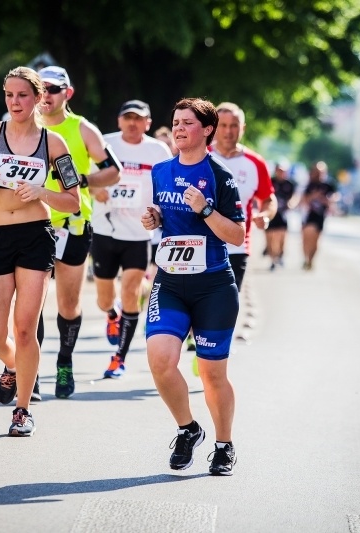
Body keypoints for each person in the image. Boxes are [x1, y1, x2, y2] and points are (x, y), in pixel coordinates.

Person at [0, 66, 80, 436]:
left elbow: (72, 201)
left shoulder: (54, 144)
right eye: (9, 95)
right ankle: (13, 365)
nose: (15, 102)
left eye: (23, 96)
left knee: (26, 327)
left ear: (37, 99)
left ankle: (23, 409)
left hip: (35, 235)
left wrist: (43, 192)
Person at [141, 98, 245, 475]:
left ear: (207, 130)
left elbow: (237, 235)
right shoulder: (160, 171)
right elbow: (163, 216)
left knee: (212, 373)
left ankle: (224, 444)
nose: (180, 128)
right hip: (169, 282)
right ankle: (188, 429)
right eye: (176, 122)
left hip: (213, 286)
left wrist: (205, 210)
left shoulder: (220, 176)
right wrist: (154, 218)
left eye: (188, 122)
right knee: (160, 361)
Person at [35, 65, 120, 398]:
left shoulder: (82, 129)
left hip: (72, 224)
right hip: (33, 223)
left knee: (67, 304)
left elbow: (114, 170)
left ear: (67, 93)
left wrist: (84, 180)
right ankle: (32, 373)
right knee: (32, 304)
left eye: (53, 89)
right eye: (40, 88)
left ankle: (65, 363)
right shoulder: (25, 125)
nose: (46, 95)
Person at [92, 100, 173, 378]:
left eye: (138, 119)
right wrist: (95, 189)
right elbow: (85, 176)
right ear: (119, 121)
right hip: (104, 229)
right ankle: (111, 315)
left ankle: (119, 358)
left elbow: (166, 187)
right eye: (127, 118)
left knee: (130, 292)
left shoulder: (158, 150)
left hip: (139, 233)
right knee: (104, 299)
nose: (132, 123)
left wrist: (160, 214)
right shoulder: (104, 143)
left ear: (147, 123)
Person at [210, 102, 275, 290]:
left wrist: (265, 215)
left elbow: (269, 199)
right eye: (223, 125)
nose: (228, 131)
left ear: (243, 128)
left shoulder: (255, 163)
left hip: (236, 248)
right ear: (214, 127)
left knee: (225, 312)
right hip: (200, 246)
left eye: (234, 125)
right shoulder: (200, 156)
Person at [301, 161, 337, 270]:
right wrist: (313, 196)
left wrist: (326, 200)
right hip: (308, 215)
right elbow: (304, 200)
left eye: (321, 172)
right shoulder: (310, 184)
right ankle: (306, 258)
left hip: (320, 216)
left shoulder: (329, 185)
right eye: (317, 171)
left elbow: (333, 198)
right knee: (306, 236)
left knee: (315, 240)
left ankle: (311, 260)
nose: (319, 174)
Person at [265, 160, 297, 270]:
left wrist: (291, 203)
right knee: (270, 237)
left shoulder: (290, 184)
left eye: (283, 171)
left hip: (283, 214)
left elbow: (294, 196)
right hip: (271, 214)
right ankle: (272, 260)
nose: (281, 173)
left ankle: (281, 254)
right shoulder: (270, 181)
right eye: (279, 170)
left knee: (281, 237)